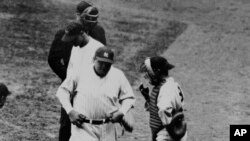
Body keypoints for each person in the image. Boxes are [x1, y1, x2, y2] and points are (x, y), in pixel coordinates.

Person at [48, 1, 106, 140]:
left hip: (92, 89)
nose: (89, 23)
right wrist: (70, 78)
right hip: (71, 87)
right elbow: (53, 59)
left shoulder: (98, 32)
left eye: (92, 20)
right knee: (67, 125)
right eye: (85, 18)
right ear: (77, 15)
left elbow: (103, 59)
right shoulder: (64, 33)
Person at [56, 47, 135, 141]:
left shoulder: (118, 75)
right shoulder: (80, 71)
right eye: (101, 62)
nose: (104, 66)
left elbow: (129, 97)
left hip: (108, 128)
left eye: (107, 64)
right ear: (94, 59)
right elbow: (62, 91)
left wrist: (122, 112)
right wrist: (70, 111)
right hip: (83, 128)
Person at [138, 56, 187, 141]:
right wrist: (148, 98)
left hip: (167, 133)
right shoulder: (170, 84)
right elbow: (160, 108)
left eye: (149, 72)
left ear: (157, 72)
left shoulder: (166, 88)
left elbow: (163, 109)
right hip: (171, 130)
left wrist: (168, 128)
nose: (148, 75)